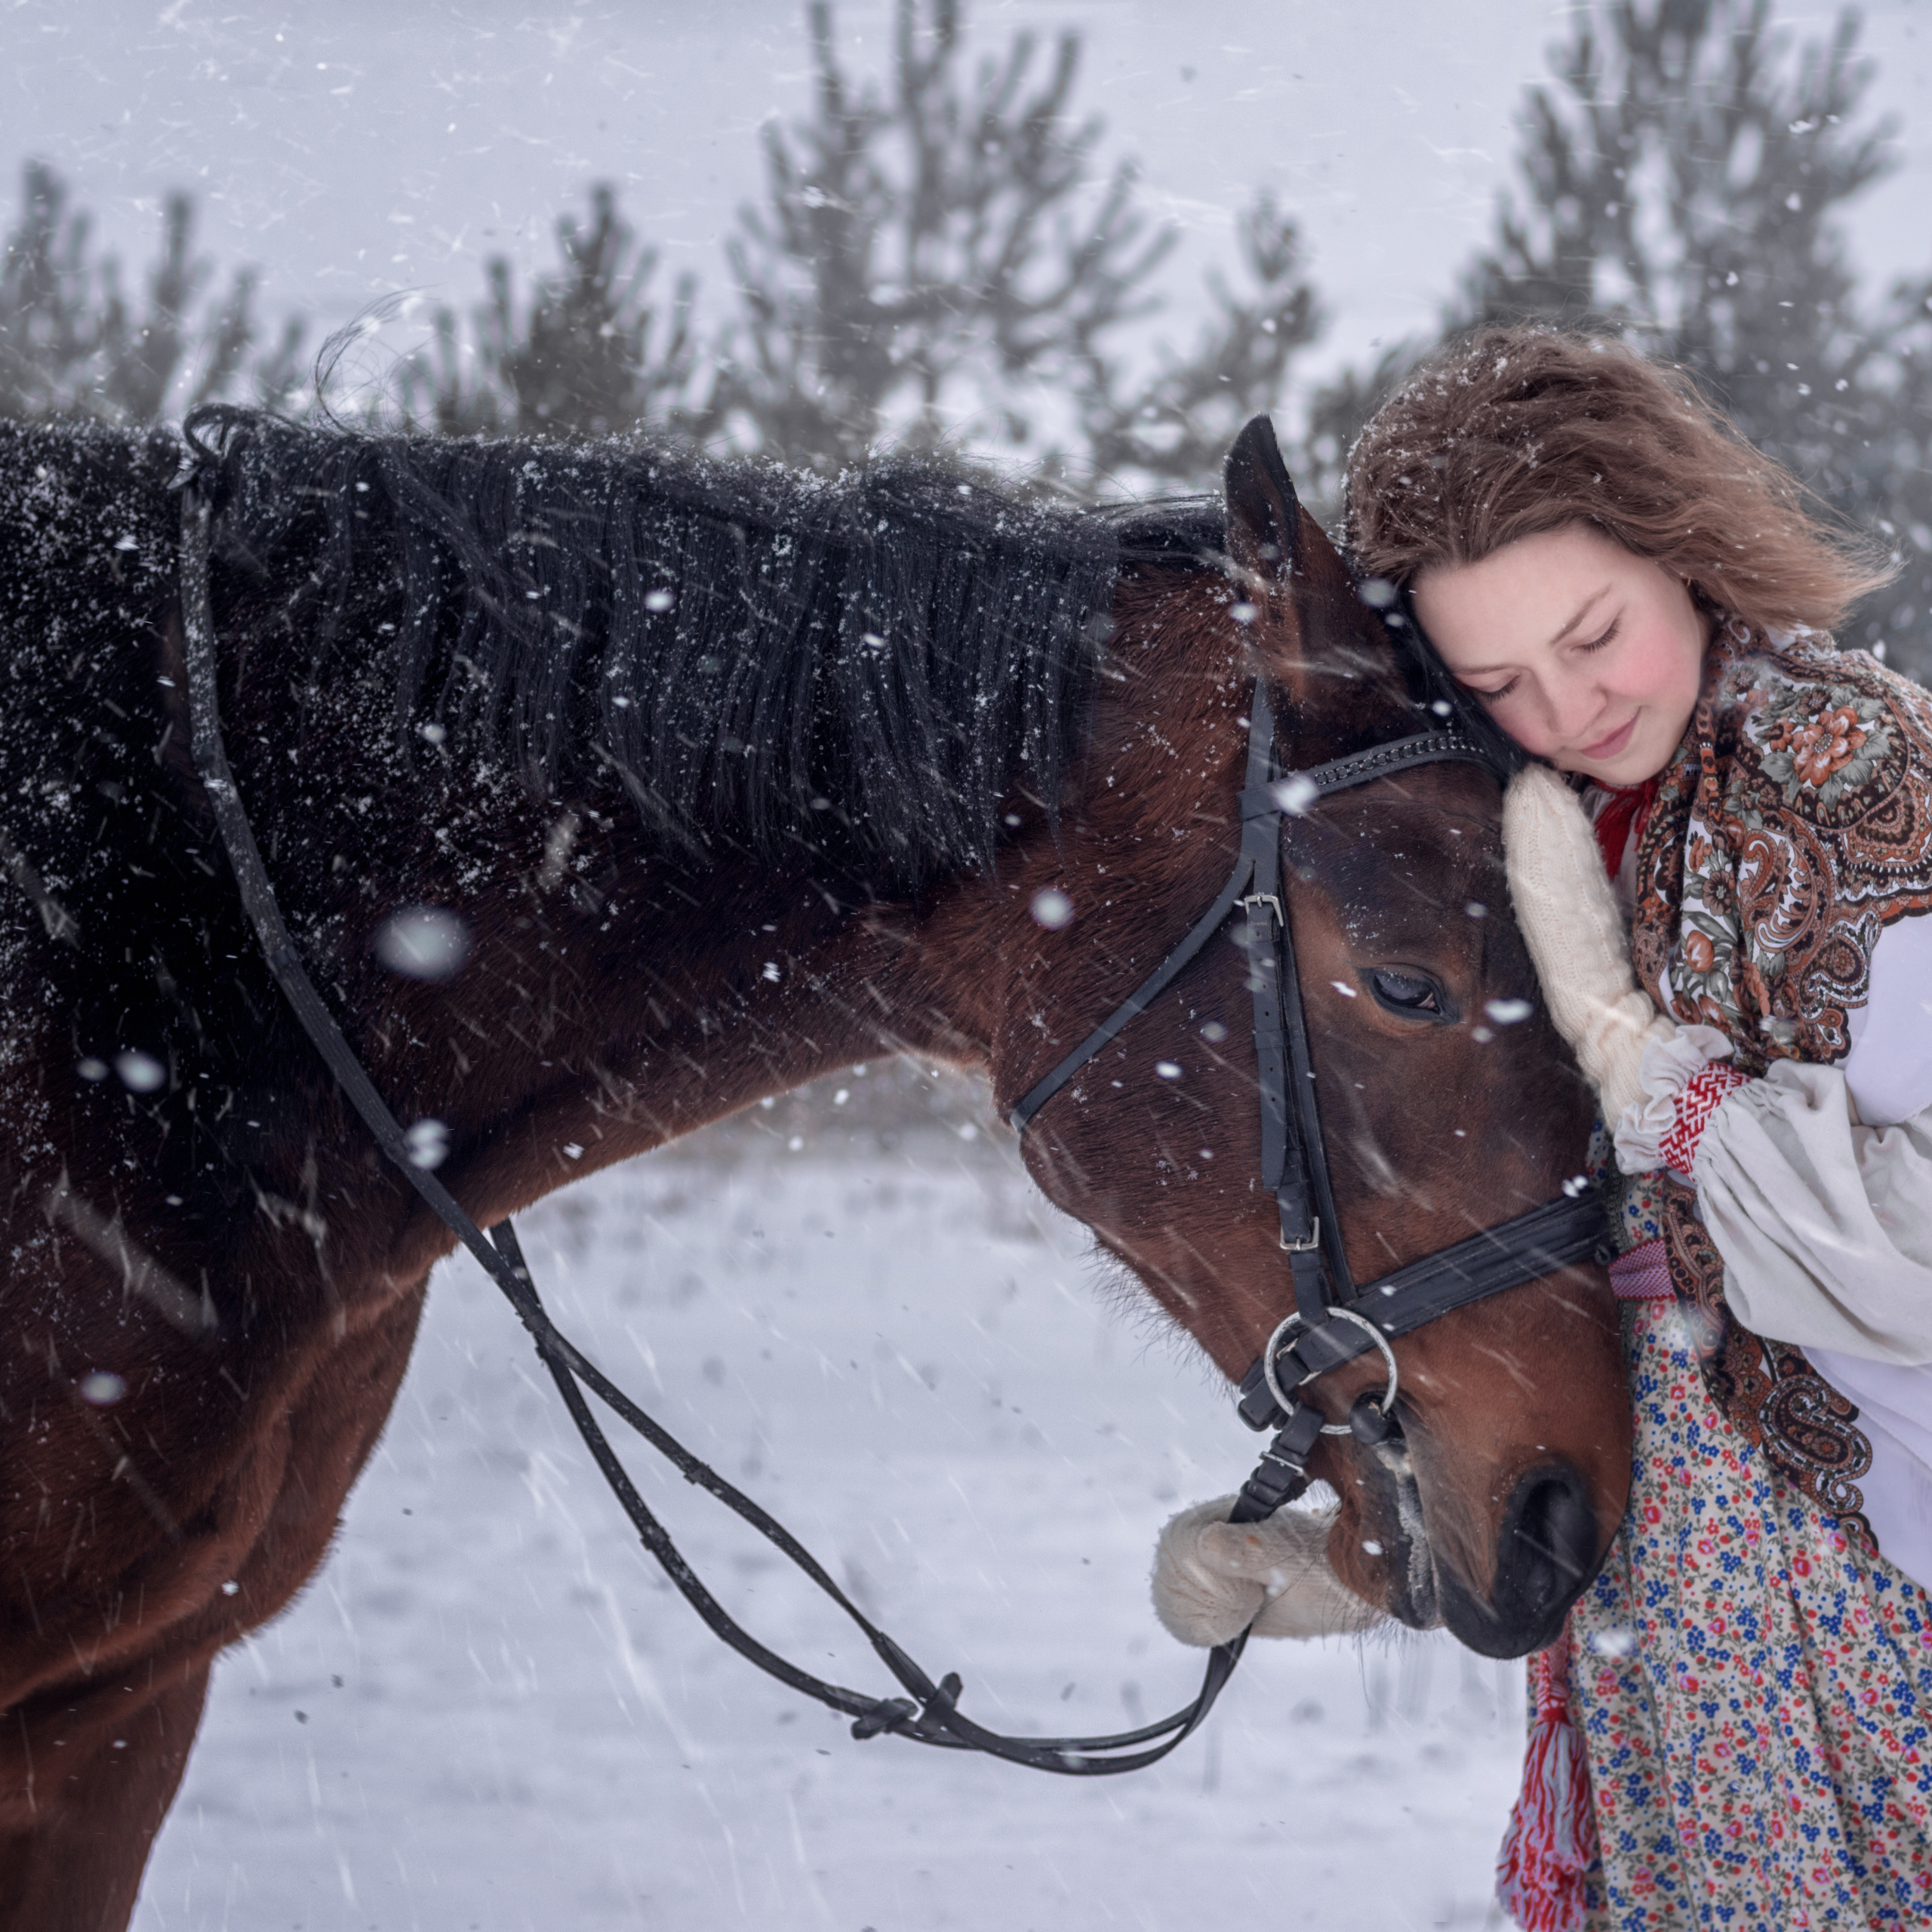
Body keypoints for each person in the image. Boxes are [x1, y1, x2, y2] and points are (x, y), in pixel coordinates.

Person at [1340, 326, 1932, 1929]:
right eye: (1497, 682)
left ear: (1678, 549)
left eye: (1592, 634)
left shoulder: (1851, 765)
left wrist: (1670, 1096)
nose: (1567, 703)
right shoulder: (1554, 809)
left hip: (1866, 1556)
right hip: (1686, 1556)